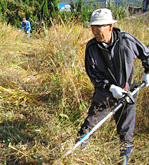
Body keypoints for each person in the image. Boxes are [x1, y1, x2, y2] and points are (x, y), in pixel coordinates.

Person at [77, 8, 149, 165]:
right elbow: (93, 74)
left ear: (110, 26)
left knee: (126, 133)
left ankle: (123, 161)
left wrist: (148, 72)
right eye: (93, 27)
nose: (95, 31)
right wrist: (110, 87)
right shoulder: (92, 48)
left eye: (99, 27)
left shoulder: (127, 41)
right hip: (104, 93)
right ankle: (75, 155)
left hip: (127, 94)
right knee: (88, 126)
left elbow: (146, 54)